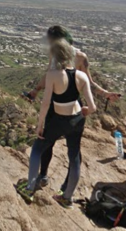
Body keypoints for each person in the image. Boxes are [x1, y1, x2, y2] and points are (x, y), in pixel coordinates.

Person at [21, 25, 120, 190]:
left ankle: (65, 186)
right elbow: (48, 74)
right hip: (59, 105)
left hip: (70, 106)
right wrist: (36, 90)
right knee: (55, 145)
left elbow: (90, 81)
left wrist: (105, 94)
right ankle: (45, 177)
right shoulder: (55, 54)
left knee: (69, 149)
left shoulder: (80, 57)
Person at [16, 40, 97, 209]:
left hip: (59, 119)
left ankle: (30, 188)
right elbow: (93, 107)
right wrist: (85, 111)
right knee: (74, 156)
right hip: (77, 120)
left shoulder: (53, 75)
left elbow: (45, 104)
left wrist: (40, 124)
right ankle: (67, 197)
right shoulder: (81, 77)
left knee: (38, 148)